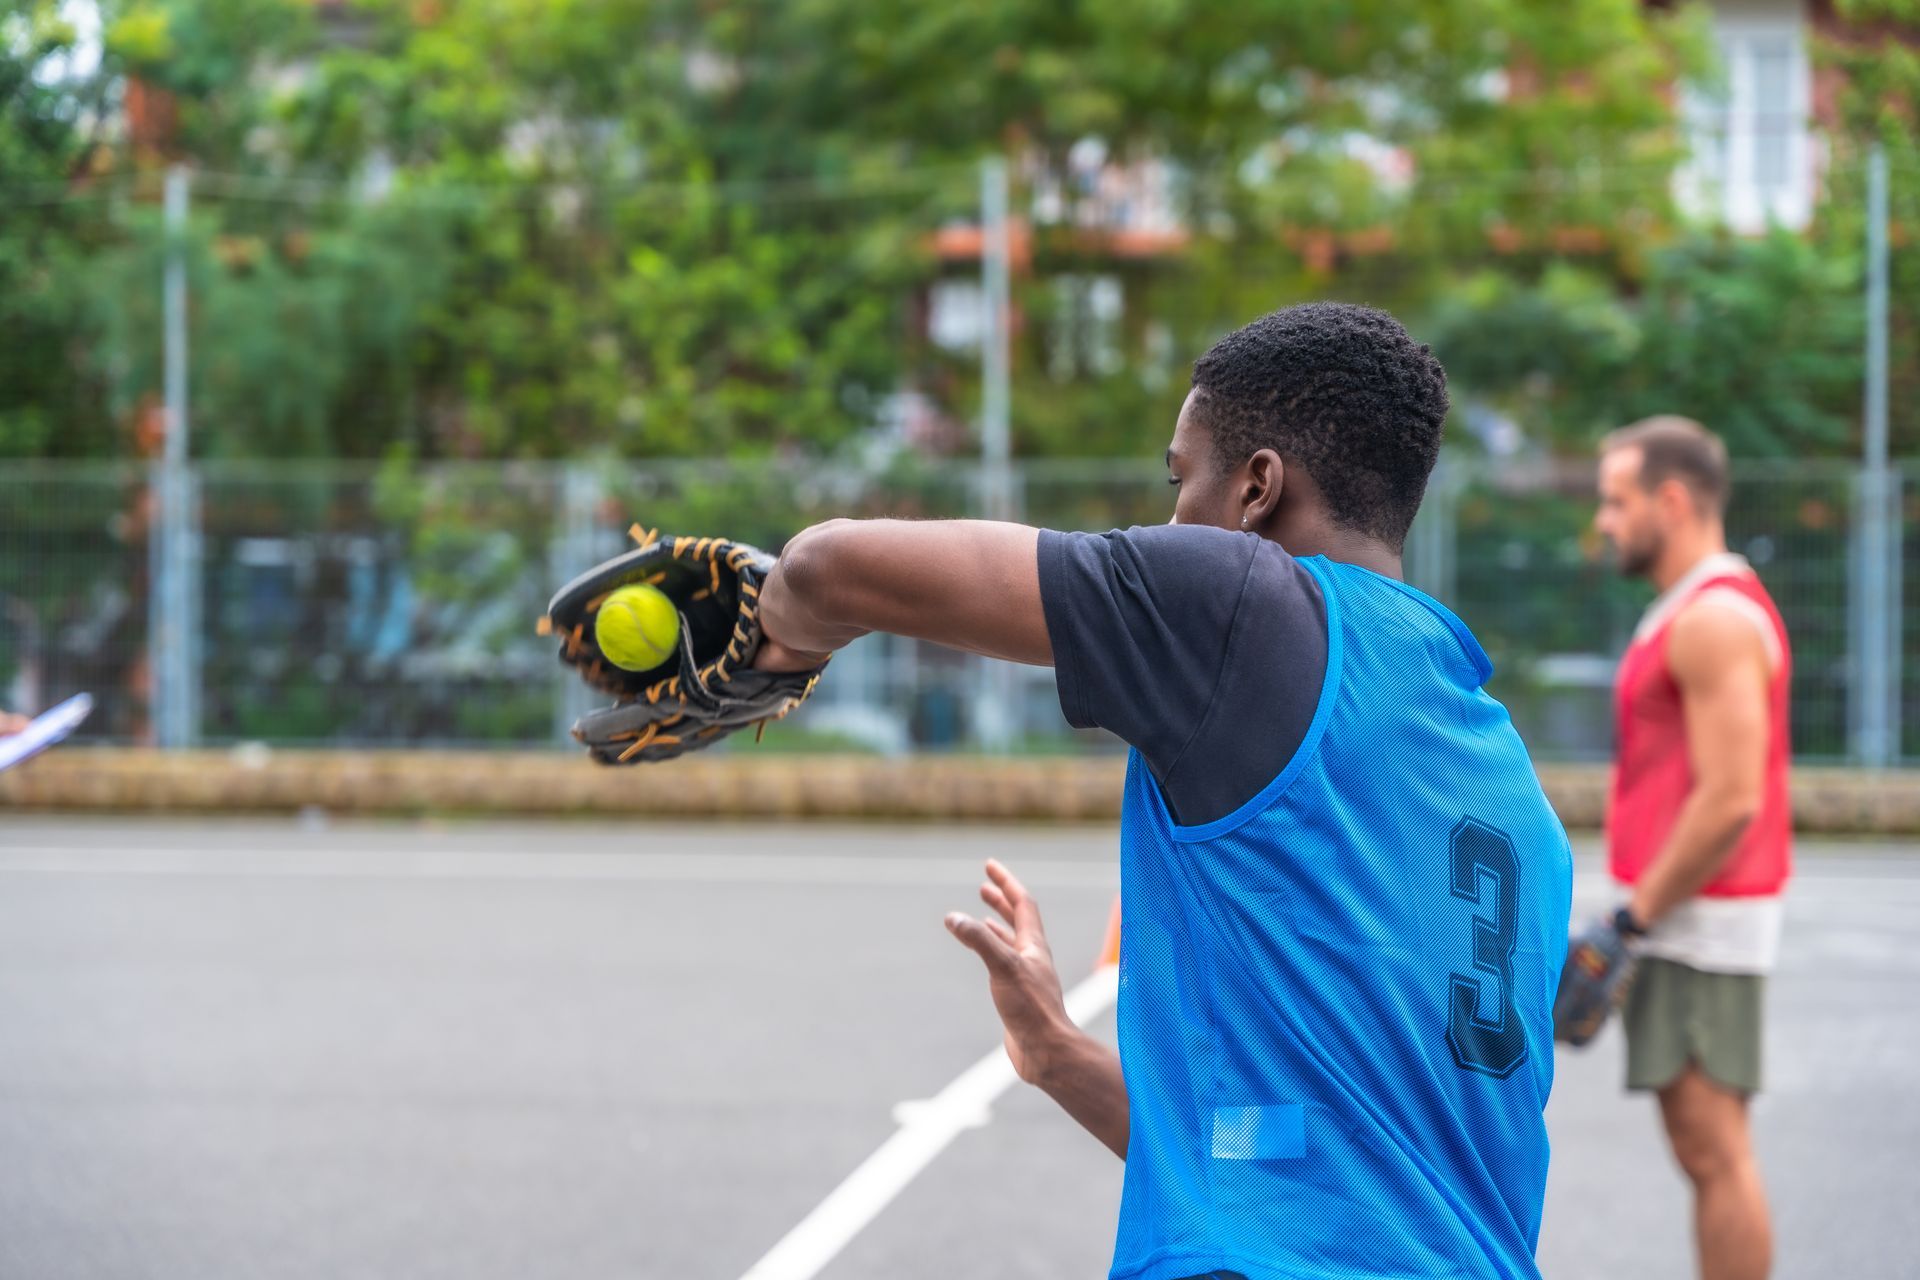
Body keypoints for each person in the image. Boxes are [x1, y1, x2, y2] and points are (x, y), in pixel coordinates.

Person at [752, 302, 1572, 1280]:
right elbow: (1298, 1173)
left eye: (1182, 479)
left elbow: (828, 566)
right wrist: (1056, 1052)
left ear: (1257, 488)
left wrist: (772, 639)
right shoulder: (1514, 799)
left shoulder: (1246, 603)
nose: (1172, 515)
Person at [1589, 417, 1789, 1280]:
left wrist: (1634, 919)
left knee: (1716, 1156)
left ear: (1672, 501)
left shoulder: (1712, 618)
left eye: (1616, 501)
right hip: (1682, 918)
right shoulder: (1687, 609)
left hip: (1699, 925)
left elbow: (1732, 798)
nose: (1604, 521)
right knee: (1704, 1152)